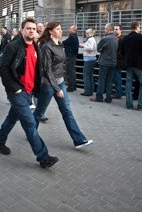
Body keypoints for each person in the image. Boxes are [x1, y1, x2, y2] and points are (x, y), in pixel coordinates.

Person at [0, 17, 59, 169]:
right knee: (29, 123)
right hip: (17, 91)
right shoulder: (13, 46)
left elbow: (36, 70)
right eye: (28, 28)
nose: (31, 31)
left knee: (11, 118)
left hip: (29, 91)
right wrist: (15, 88)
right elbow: (3, 70)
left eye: (34, 29)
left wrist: (36, 89)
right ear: (22, 30)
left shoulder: (36, 46)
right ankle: (43, 157)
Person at [33, 21, 93, 149]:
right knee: (39, 112)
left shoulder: (59, 44)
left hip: (60, 82)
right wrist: (56, 88)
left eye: (61, 29)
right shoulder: (46, 47)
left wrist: (62, 83)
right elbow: (46, 69)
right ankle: (30, 133)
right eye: (58, 29)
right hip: (49, 84)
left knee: (67, 111)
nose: (61, 31)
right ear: (50, 31)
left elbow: (60, 65)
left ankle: (79, 140)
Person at [121, 21, 142, 110]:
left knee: (128, 84)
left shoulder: (125, 38)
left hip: (129, 64)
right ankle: (141, 105)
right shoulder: (140, 37)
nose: (140, 29)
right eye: (139, 27)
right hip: (139, 64)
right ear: (137, 27)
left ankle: (129, 104)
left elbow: (122, 52)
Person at [90, 23, 118, 103]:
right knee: (109, 80)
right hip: (113, 62)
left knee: (101, 80)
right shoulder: (116, 39)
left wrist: (104, 50)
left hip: (105, 62)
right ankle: (108, 98)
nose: (104, 30)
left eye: (105, 28)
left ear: (109, 29)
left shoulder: (105, 39)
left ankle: (99, 97)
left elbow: (98, 49)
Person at [80, 28, 97, 96]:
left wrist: (83, 45)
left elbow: (90, 48)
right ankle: (91, 90)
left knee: (86, 75)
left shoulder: (90, 39)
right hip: (91, 58)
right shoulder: (92, 39)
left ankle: (87, 91)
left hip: (89, 59)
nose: (85, 34)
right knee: (90, 75)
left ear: (89, 33)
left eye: (86, 33)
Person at [62, 25, 79, 92]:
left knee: (70, 71)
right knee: (72, 71)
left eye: (70, 29)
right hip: (72, 55)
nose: (69, 30)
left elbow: (64, 42)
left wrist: (65, 45)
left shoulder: (72, 37)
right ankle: (73, 86)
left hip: (70, 56)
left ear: (74, 30)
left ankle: (71, 87)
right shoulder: (74, 36)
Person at [111, 24, 124, 99]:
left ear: (121, 30)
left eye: (117, 29)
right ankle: (117, 92)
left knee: (117, 78)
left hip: (118, 61)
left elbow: (121, 52)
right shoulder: (114, 38)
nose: (115, 31)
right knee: (114, 78)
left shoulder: (122, 39)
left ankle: (118, 93)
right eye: (114, 29)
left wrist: (114, 56)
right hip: (113, 60)